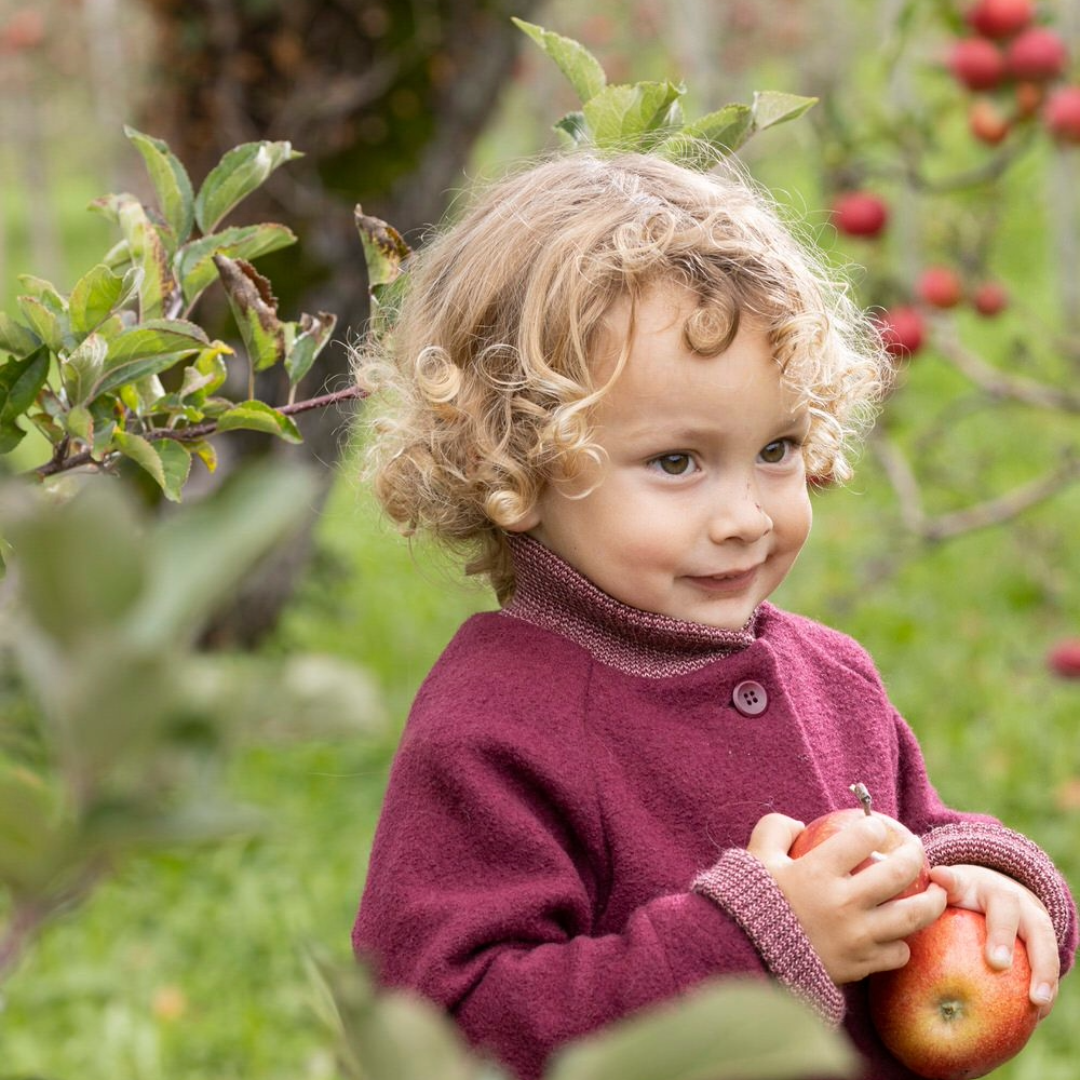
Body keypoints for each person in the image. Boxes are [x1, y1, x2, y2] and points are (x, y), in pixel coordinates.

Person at [350, 150, 1077, 1080]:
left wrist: (985, 883)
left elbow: (921, 830)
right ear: (517, 464)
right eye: (678, 463)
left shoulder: (831, 674)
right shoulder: (496, 725)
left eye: (776, 448)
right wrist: (751, 945)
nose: (745, 517)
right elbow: (447, 1025)